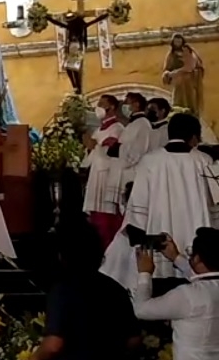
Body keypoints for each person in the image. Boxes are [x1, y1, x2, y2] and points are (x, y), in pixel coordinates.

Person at [102, 113, 219, 289]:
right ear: (194, 137)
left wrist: (138, 235)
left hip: (161, 243)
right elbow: (214, 207)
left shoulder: (149, 161)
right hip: (197, 250)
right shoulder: (204, 160)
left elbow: (138, 208)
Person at [25, 218, 139, 360]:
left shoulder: (62, 290)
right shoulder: (115, 289)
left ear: (62, 255)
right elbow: (133, 339)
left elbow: (54, 344)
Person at [133, 227, 219, 360]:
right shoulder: (196, 292)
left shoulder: (187, 295)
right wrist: (175, 257)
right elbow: (204, 279)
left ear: (197, 258)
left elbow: (141, 309)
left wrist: (144, 273)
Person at [81, 94, 124, 249]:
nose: (98, 106)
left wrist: (95, 145)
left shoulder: (118, 128)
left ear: (111, 107)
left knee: (106, 218)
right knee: (95, 216)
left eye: (101, 103)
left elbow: (113, 151)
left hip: (107, 177)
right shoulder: (99, 129)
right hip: (95, 175)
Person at [105, 92, 152, 213]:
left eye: (127, 103)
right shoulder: (133, 123)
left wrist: (116, 147)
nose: (124, 106)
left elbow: (138, 150)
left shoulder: (143, 124)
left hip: (131, 173)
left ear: (136, 104)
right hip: (122, 170)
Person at [163, 33, 205, 117]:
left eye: (179, 40)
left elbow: (191, 66)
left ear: (182, 41)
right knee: (178, 104)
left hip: (189, 82)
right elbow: (166, 69)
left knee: (190, 103)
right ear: (173, 42)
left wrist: (175, 72)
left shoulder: (188, 51)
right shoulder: (171, 55)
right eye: (176, 41)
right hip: (178, 84)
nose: (178, 42)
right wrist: (167, 74)